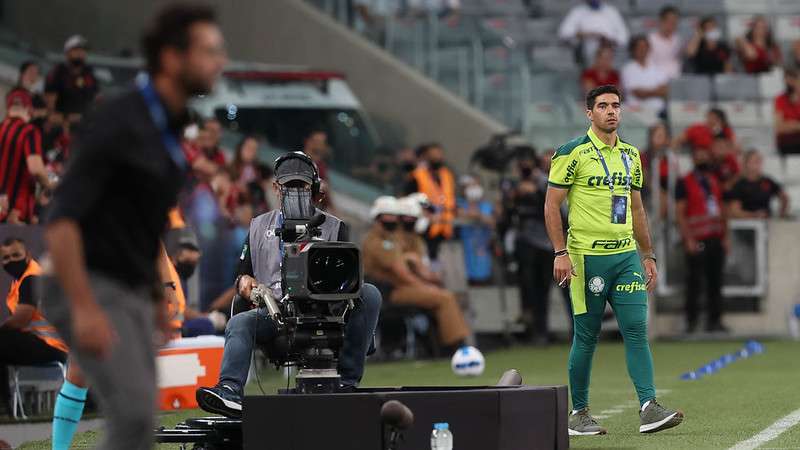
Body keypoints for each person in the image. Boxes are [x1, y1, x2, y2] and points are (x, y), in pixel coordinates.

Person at [42, 5, 226, 449]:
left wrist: (156, 299)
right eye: (209, 51)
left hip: (128, 288)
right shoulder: (118, 120)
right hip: (86, 280)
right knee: (131, 415)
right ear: (171, 58)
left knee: (141, 419)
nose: (220, 61)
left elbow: (141, 232)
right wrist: (84, 306)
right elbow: (62, 219)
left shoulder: (170, 132)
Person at [196, 151, 382, 417]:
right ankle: (229, 392)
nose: (295, 192)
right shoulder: (259, 226)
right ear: (276, 187)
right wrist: (245, 282)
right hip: (276, 310)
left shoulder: (334, 226)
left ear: (314, 188)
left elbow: (351, 278)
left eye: (302, 186)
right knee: (240, 321)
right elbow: (242, 273)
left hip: (327, 308)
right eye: (288, 186)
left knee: (370, 293)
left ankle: (347, 383)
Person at [544, 85, 683, 435]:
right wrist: (560, 252)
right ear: (588, 113)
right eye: (603, 106)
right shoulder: (571, 153)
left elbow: (637, 208)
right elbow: (551, 205)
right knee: (586, 337)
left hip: (625, 257)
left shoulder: (632, 155)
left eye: (616, 105)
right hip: (586, 258)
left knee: (636, 330)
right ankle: (578, 414)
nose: (611, 111)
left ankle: (649, 407)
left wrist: (647, 254)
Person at [363, 196, 470, 351]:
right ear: (378, 217)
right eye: (389, 215)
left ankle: (443, 345)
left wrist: (429, 281)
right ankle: (457, 346)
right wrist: (425, 287)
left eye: (395, 215)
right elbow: (401, 273)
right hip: (390, 292)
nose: (393, 219)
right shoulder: (377, 242)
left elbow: (417, 269)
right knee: (444, 298)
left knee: (443, 296)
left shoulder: (393, 240)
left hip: (401, 287)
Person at [502, 148, 568, 344]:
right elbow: (508, 211)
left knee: (566, 288)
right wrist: (514, 193)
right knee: (537, 290)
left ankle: (580, 332)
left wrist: (538, 191)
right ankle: (540, 332)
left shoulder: (546, 181)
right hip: (529, 242)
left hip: (552, 243)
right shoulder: (512, 183)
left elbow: (561, 211)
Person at [0, 238, 68, 417]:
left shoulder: (32, 277)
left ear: (28, 255)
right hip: (38, 342)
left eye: (16, 255)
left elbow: (22, 319)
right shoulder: (20, 281)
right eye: (5, 258)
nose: (11, 261)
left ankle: (3, 408)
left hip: (51, 345)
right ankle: (5, 407)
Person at [675, 148, 728, 334]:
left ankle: (715, 321)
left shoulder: (714, 180)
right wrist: (688, 238)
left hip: (715, 237)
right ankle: (691, 321)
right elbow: (680, 213)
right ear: (693, 158)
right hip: (697, 239)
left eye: (705, 154)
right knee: (695, 282)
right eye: (699, 155)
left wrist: (725, 236)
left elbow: (722, 208)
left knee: (716, 281)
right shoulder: (685, 182)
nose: (703, 158)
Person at [0, 90, 52, 224]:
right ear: (29, 109)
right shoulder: (29, 131)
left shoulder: (1, 127)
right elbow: (36, 169)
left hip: (1, 205)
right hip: (15, 210)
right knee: (16, 244)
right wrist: (50, 185)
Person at [407, 143, 456, 261]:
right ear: (426, 157)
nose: (437, 158)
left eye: (439, 155)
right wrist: (425, 214)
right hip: (423, 227)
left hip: (444, 228)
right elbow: (410, 199)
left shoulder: (447, 175)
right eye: (433, 155)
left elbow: (450, 198)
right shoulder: (417, 175)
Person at [44, 35, 99, 121]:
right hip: (62, 124)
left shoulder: (89, 74)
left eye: (83, 50)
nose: (80, 53)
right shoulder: (58, 73)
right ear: (68, 53)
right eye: (76, 50)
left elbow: (97, 98)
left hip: (86, 124)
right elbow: (50, 106)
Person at [557, 0, 629, 67]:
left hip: (609, 55)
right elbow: (564, 34)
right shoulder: (577, 12)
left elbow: (623, 38)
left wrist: (607, 40)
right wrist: (587, 34)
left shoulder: (611, 11)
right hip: (585, 56)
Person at [726, 150, 789, 219]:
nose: (758, 164)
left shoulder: (767, 181)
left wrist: (782, 213)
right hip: (746, 224)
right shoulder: (739, 184)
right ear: (746, 163)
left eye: (759, 161)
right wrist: (754, 215)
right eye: (755, 161)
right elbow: (734, 211)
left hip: (766, 221)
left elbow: (784, 197)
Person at [456, 175, 494, 285]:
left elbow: (491, 221)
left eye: (476, 185)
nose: (473, 188)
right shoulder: (460, 204)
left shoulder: (486, 206)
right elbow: (459, 213)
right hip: (465, 259)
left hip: (483, 256)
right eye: (471, 185)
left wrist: (478, 215)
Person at [621, 35, 669, 117]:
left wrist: (647, 92)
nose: (642, 49)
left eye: (645, 46)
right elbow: (638, 93)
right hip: (636, 113)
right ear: (633, 50)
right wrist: (656, 91)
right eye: (639, 47)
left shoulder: (657, 67)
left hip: (658, 112)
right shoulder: (628, 69)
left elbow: (665, 90)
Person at [647, 6, 682, 80]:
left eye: (675, 22)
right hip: (656, 80)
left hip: (676, 79)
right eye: (670, 21)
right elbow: (648, 65)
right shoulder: (650, 40)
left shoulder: (677, 39)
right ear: (662, 21)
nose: (673, 25)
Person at [302, 128, 333, 209]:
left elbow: (327, 196)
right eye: (315, 141)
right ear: (307, 141)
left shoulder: (321, 167)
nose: (317, 145)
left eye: (320, 143)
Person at [774, 69, 800, 156]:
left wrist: (790, 125)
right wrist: (797, 125)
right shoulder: (780, 99)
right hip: (787, 143)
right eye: (787, 80)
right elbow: (779, 128)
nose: (790, 83)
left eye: (793, 80)